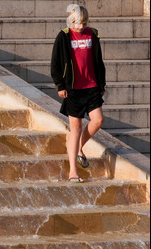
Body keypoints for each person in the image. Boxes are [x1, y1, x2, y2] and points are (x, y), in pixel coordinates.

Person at [51, 4, 106, 183]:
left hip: (91, 86)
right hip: (73, 88)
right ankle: (73, 171)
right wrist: (60, 85)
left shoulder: (93, 34)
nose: (80, 27)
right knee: (75, 127)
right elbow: (56, 64)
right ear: (71, 21)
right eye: (77, 23)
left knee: (98, 120)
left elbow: (98, 61)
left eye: (83, 23)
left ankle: (78, 148)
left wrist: (101, 84)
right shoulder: (64, 36)